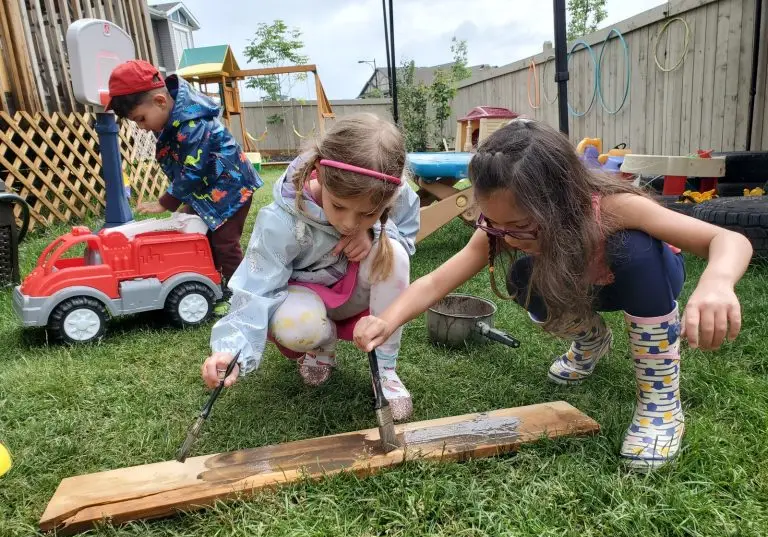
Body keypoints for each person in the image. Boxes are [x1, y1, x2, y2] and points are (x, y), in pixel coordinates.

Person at [353, 119, 753, 470]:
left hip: (646, 280)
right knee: (524, 276)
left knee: (635, 250)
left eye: (520, 225)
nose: (506, 235)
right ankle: (592, 340)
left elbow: (727, 239)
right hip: (582, 285)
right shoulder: (502, 226)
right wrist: (387, 320)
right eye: (496, 224)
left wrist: (717, 282)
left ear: (560, 202)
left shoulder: (613, 208)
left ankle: (660, 402)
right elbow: (435, 282)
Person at [201, 114, 420, 421]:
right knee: (294, 325)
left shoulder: (395, 192)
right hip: (305, 301)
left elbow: (407, 236)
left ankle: (385, 370)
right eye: (339, 206)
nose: (348, 223)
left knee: (394, 255)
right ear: (318, 172)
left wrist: (376, 232)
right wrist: (230, 349)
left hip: (356, 293)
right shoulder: (281, 219)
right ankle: (321, 346)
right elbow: (255, 287)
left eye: (368, 213)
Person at [105, 60, 262, 301]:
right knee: (192, 231)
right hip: (208, 190)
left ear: (160, 101)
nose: (143, 128)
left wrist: (165, 202)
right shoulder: (174, 118)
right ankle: (208, 280)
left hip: (231, 188)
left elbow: (193, 168)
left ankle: (240, 294)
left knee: (224, 242)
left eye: (141, 119)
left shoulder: (193, 124)